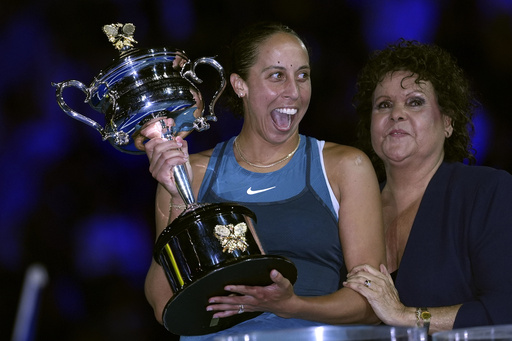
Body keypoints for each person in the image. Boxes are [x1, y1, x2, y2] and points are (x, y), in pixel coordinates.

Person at [140, 22, 386, 340]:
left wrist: (292, 305)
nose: (294, 92)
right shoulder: (191, 173)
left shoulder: (345, 167)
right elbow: (164, 305)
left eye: (303, 75)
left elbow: (371, 303)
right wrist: (176, 194)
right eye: (276, 75)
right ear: (240, 85)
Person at [343, 39, 512, 335]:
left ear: (447, 122)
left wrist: (406, 316)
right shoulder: (349, 206)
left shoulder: (487, 192)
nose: (396, 113)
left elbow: (506, 309)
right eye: (384, 105)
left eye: (415, 102)